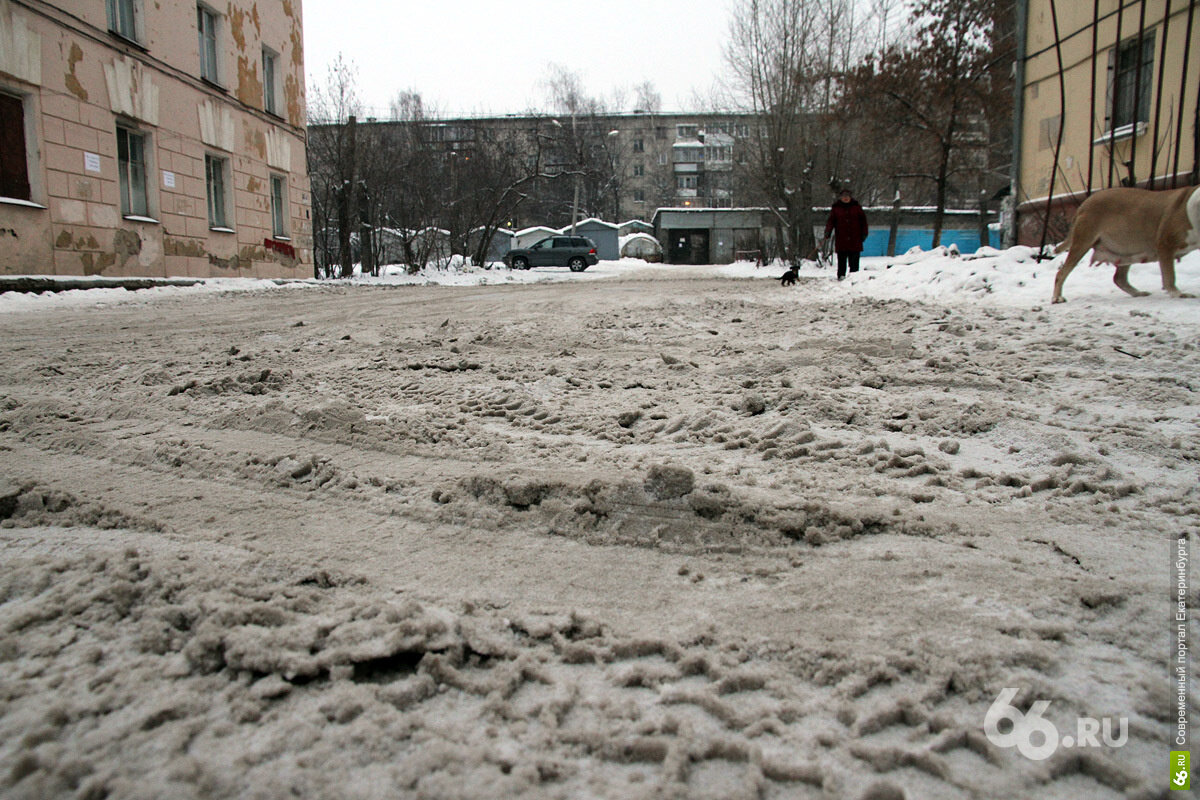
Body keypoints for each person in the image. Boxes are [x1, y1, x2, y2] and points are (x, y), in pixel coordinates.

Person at [824, 187, 868, 281]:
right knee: (842, 260)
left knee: (854, 260)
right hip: (841, 238)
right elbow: (831, 221)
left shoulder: (857, 207)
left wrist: (864, 233)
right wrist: (828, 231)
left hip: (855, 238)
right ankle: (841, 276)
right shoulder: (836, 208)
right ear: (840, 197)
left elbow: (863, 222)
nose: (845, 198)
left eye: (847, 196)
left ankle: (854, 277)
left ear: (850, 197)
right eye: (844, 196)